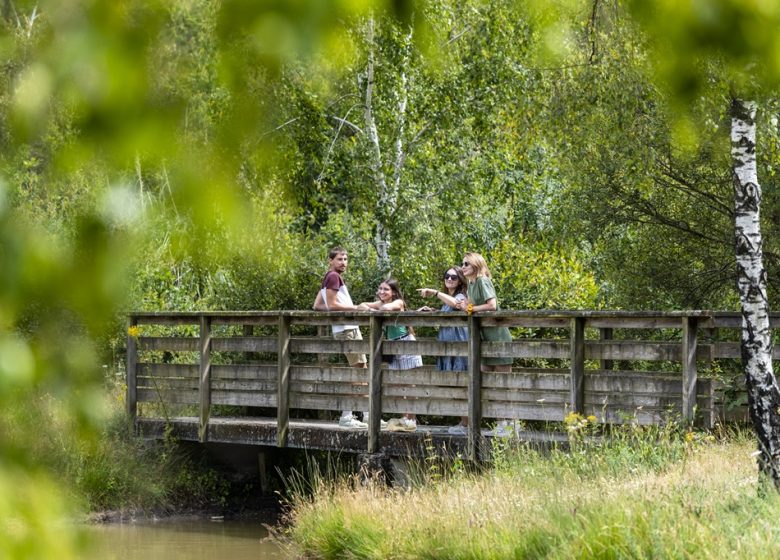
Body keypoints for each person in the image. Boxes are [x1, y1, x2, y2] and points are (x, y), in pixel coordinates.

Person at [312, 246, 370, 429]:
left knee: (362, 370)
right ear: (330, 260)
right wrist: (356, 308)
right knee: (359, 372)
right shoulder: (333, 276)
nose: (343, 263)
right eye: (339, 259)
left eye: (345, 259)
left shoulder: (329, 277)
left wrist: (338, 307)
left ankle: (367, 416)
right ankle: (347, 415)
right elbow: (333, 303)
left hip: (344, 329)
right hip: (348, 328)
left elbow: (318, 306)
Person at [460, 252, 515, 437]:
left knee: (502, 384)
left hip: (498, 337)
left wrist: (471, 309)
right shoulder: (471, 284)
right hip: (484, 339)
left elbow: (492, 305)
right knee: (488, 384)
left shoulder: (482, 280)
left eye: (466, 263)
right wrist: (465, 306)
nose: (463, 267)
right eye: (462, 264)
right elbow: (469, 305)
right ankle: (501, 423)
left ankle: (510, 424)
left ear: (475, 265)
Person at [359, 279, 422, 432]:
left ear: (393, 292)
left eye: (386, 289)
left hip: (405, 343)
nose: (382, 292)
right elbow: (361, 305)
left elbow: (387, 307)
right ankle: (405, 418)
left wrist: (374, 308)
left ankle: (412, 419)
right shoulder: (380, 303)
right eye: (380, 289)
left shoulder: (398, 302)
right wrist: (372, 307)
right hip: (392, 346)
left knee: (409, 384)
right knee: (397, 385)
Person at [417, 266, 469, 434]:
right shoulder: (450, 298)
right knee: (454, 385)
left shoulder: (461, 296)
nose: (449, 279)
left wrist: (435, 293)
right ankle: (463, 423)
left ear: (460, 280)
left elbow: (457, 305)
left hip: (458, 346)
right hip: (448, 347)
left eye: (454, 277)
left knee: (462, 385)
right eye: (447, 276)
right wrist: (433, 311)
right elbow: (449, 308)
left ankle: (467, 424)